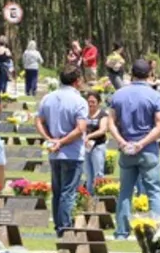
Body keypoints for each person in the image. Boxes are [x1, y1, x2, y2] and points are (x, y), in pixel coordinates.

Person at [107, 59, 160, 239]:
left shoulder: (119, 94)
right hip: (147, 149)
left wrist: (122, 142)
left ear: (131, 74)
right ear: (149, 74)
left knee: (125, 191)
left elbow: (110, 122)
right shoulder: (154, 95)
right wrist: (142, 143)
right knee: (154, 191)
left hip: (126, 148)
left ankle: (121, 232)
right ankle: (157, 230)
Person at [35, 66, 88, 237]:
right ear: (77, 81)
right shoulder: (79, 101)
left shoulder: (48, 98)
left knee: (57, 191)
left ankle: (58, 226)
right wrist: (62, 141)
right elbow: (80, 128)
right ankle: (65, 227)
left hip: (54, 152)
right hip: (71, 153)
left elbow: (39, 121)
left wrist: (50, 139)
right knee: (68, 192)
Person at [84, 91, 110, 193]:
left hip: (98, 147)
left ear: (98, 102)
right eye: (89, 101)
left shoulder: (102, 114)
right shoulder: (84, 113)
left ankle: (99, 195)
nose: (90, 104)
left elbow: (102, 130)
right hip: (86, 147)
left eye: (93, 102)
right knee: (88, 173)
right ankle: (89, 196)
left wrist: (89, 136)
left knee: (98, 173)